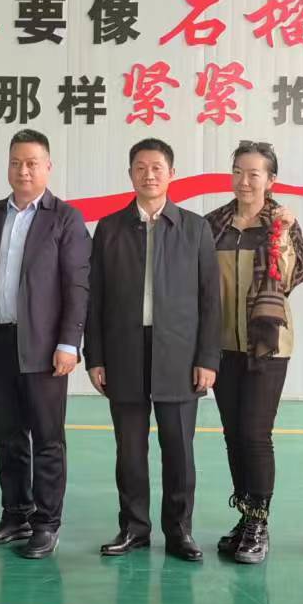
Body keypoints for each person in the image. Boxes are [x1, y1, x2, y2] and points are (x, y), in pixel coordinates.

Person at [86, 138, 220, 563]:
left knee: (178, 449)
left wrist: (207, 359)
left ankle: (179, 531)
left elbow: (210, 300)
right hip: (123, 351)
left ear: (172, 174)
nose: (149, 175)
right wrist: (95, 357)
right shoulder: (109, 228)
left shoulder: (195, 229)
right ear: (130, 174)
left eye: (157, 167)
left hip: (178, 354)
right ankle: (134, 528)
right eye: (140, 167)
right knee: (129, 450)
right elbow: (95, 297)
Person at [0, 129, 91, 560]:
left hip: (43, 347)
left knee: (47, 437)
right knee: (7, 435)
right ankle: (15, 513)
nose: (23, 170)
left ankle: (46, 522)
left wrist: (69, 343)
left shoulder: (66, 219)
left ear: (48, 167)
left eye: (32, 163)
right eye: (16, 162)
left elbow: (77, 285)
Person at [202, 141, 303, 565]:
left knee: (255, 433)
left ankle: (259, 523)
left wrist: (282, 235)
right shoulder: (214, 224)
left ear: (270, 179)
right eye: (238, 172)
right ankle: (246, 515)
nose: (244, 181)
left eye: (254, 174)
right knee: (233, 433)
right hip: (221, 344)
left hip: (267, 345)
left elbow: (292, 275)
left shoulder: (281, 224)